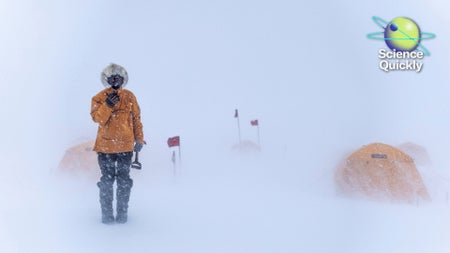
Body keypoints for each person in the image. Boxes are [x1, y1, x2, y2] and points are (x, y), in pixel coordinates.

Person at [90, 63, 145, 224]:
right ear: (107, 80)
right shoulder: (99, 98)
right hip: (105, 148)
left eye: (118, 78)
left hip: (125, 148)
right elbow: (97, 118)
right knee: (107, 182)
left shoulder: (129, 97)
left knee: (123, 182)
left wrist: (139, 139)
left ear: (123, 80)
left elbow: (136, 119)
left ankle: (122, 214)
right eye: (112, 78)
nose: (116, 81)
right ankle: (107, 215)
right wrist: (108, 105)